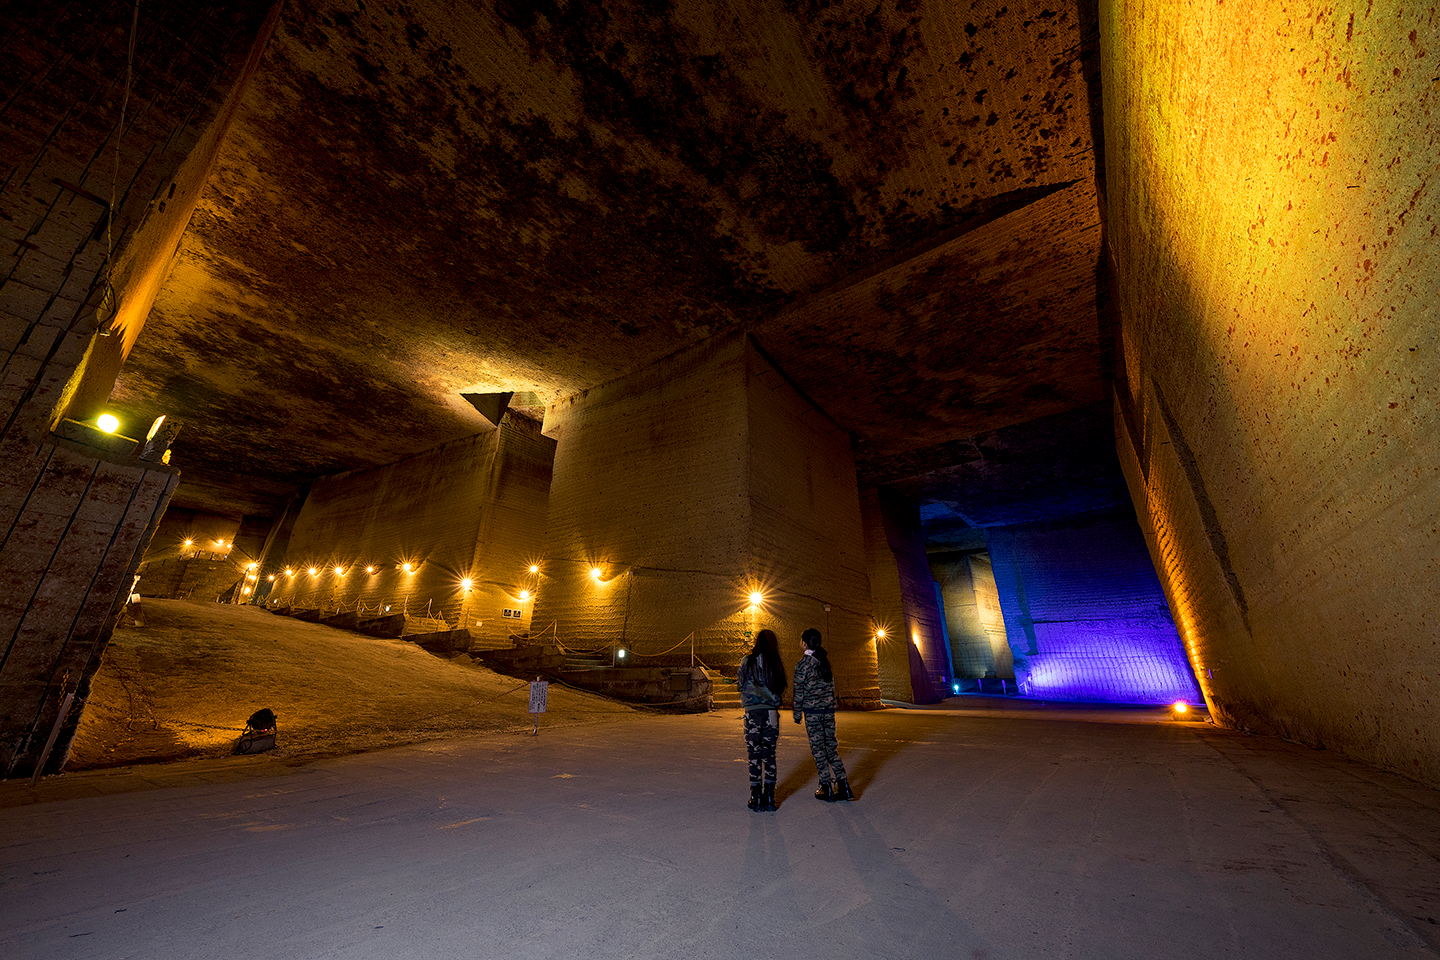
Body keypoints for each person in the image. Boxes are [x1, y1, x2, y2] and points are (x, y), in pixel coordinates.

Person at [792, 627, 855, 801]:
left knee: (818, 749)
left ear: (804, 644)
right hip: (828, 712)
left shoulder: (803, 664)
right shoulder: (824, 661)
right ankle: (843, 785)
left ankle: (825, 786)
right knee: (831, 748)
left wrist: (797, 713)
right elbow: (831, 687)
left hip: (813, 713)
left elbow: (799, 691)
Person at [737, 628, 786, 812]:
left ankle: (756, 797)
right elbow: (780, 687)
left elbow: (739, 683)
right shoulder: (775, 663)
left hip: (752, 713)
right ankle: (770, 798)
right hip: (771, 713)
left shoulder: (746, 661)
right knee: (769, 755)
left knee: (754, 755)